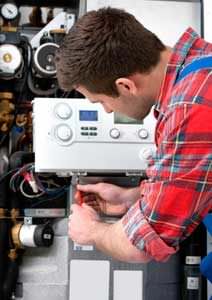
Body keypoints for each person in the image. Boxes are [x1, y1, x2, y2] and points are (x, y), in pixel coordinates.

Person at [55, 7, 212, 262]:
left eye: (100, 102)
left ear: (125, 86)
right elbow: (199, 179)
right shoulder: (200, 64)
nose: (106, 110)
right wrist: (131, 198)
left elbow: (140, 245)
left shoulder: (190, 108)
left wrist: (92, 231)